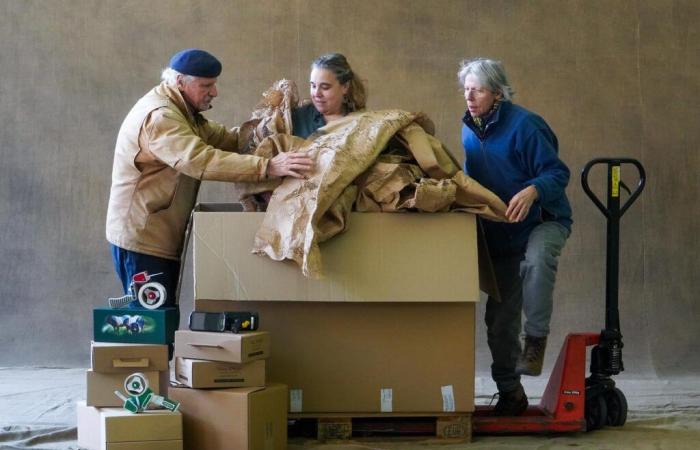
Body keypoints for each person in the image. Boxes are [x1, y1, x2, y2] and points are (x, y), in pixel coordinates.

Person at [106, 48, 314, 306]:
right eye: (206, 85)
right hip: (143, 241)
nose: (214, 92)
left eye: (214, 84)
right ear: (180, 82)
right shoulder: (161, 118)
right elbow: (200, 160)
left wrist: (270, 127)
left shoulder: (183, 111)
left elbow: (226, 139)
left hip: (156, 235)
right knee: (151, 322)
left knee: (162, 316)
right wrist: (268, 166)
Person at [458, 58, 572, 416]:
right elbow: (471, 178)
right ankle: (511, 391)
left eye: (476, 89)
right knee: (500, 322)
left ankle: (535, 341)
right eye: (465, 89)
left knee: (537, 261)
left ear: (497, 92)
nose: (469, 96)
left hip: (543, 220)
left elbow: (557, 172)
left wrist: (534, 190)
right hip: (503, 233)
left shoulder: (525, 125)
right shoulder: (469, 130)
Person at [290, 53, 367, 139]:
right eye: (313, 86)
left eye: (325, 87)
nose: (316, 93)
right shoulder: (296, 118)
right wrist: (280, 153)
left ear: (345, 87)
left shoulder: (362, 123)